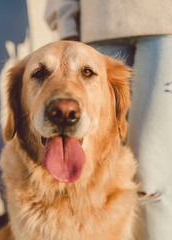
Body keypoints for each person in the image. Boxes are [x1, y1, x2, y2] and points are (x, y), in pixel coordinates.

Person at [45, 0, 172, 239]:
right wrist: (66, 25)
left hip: (165, 28)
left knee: (149, 173)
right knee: (92, 176)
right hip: (98, 29)